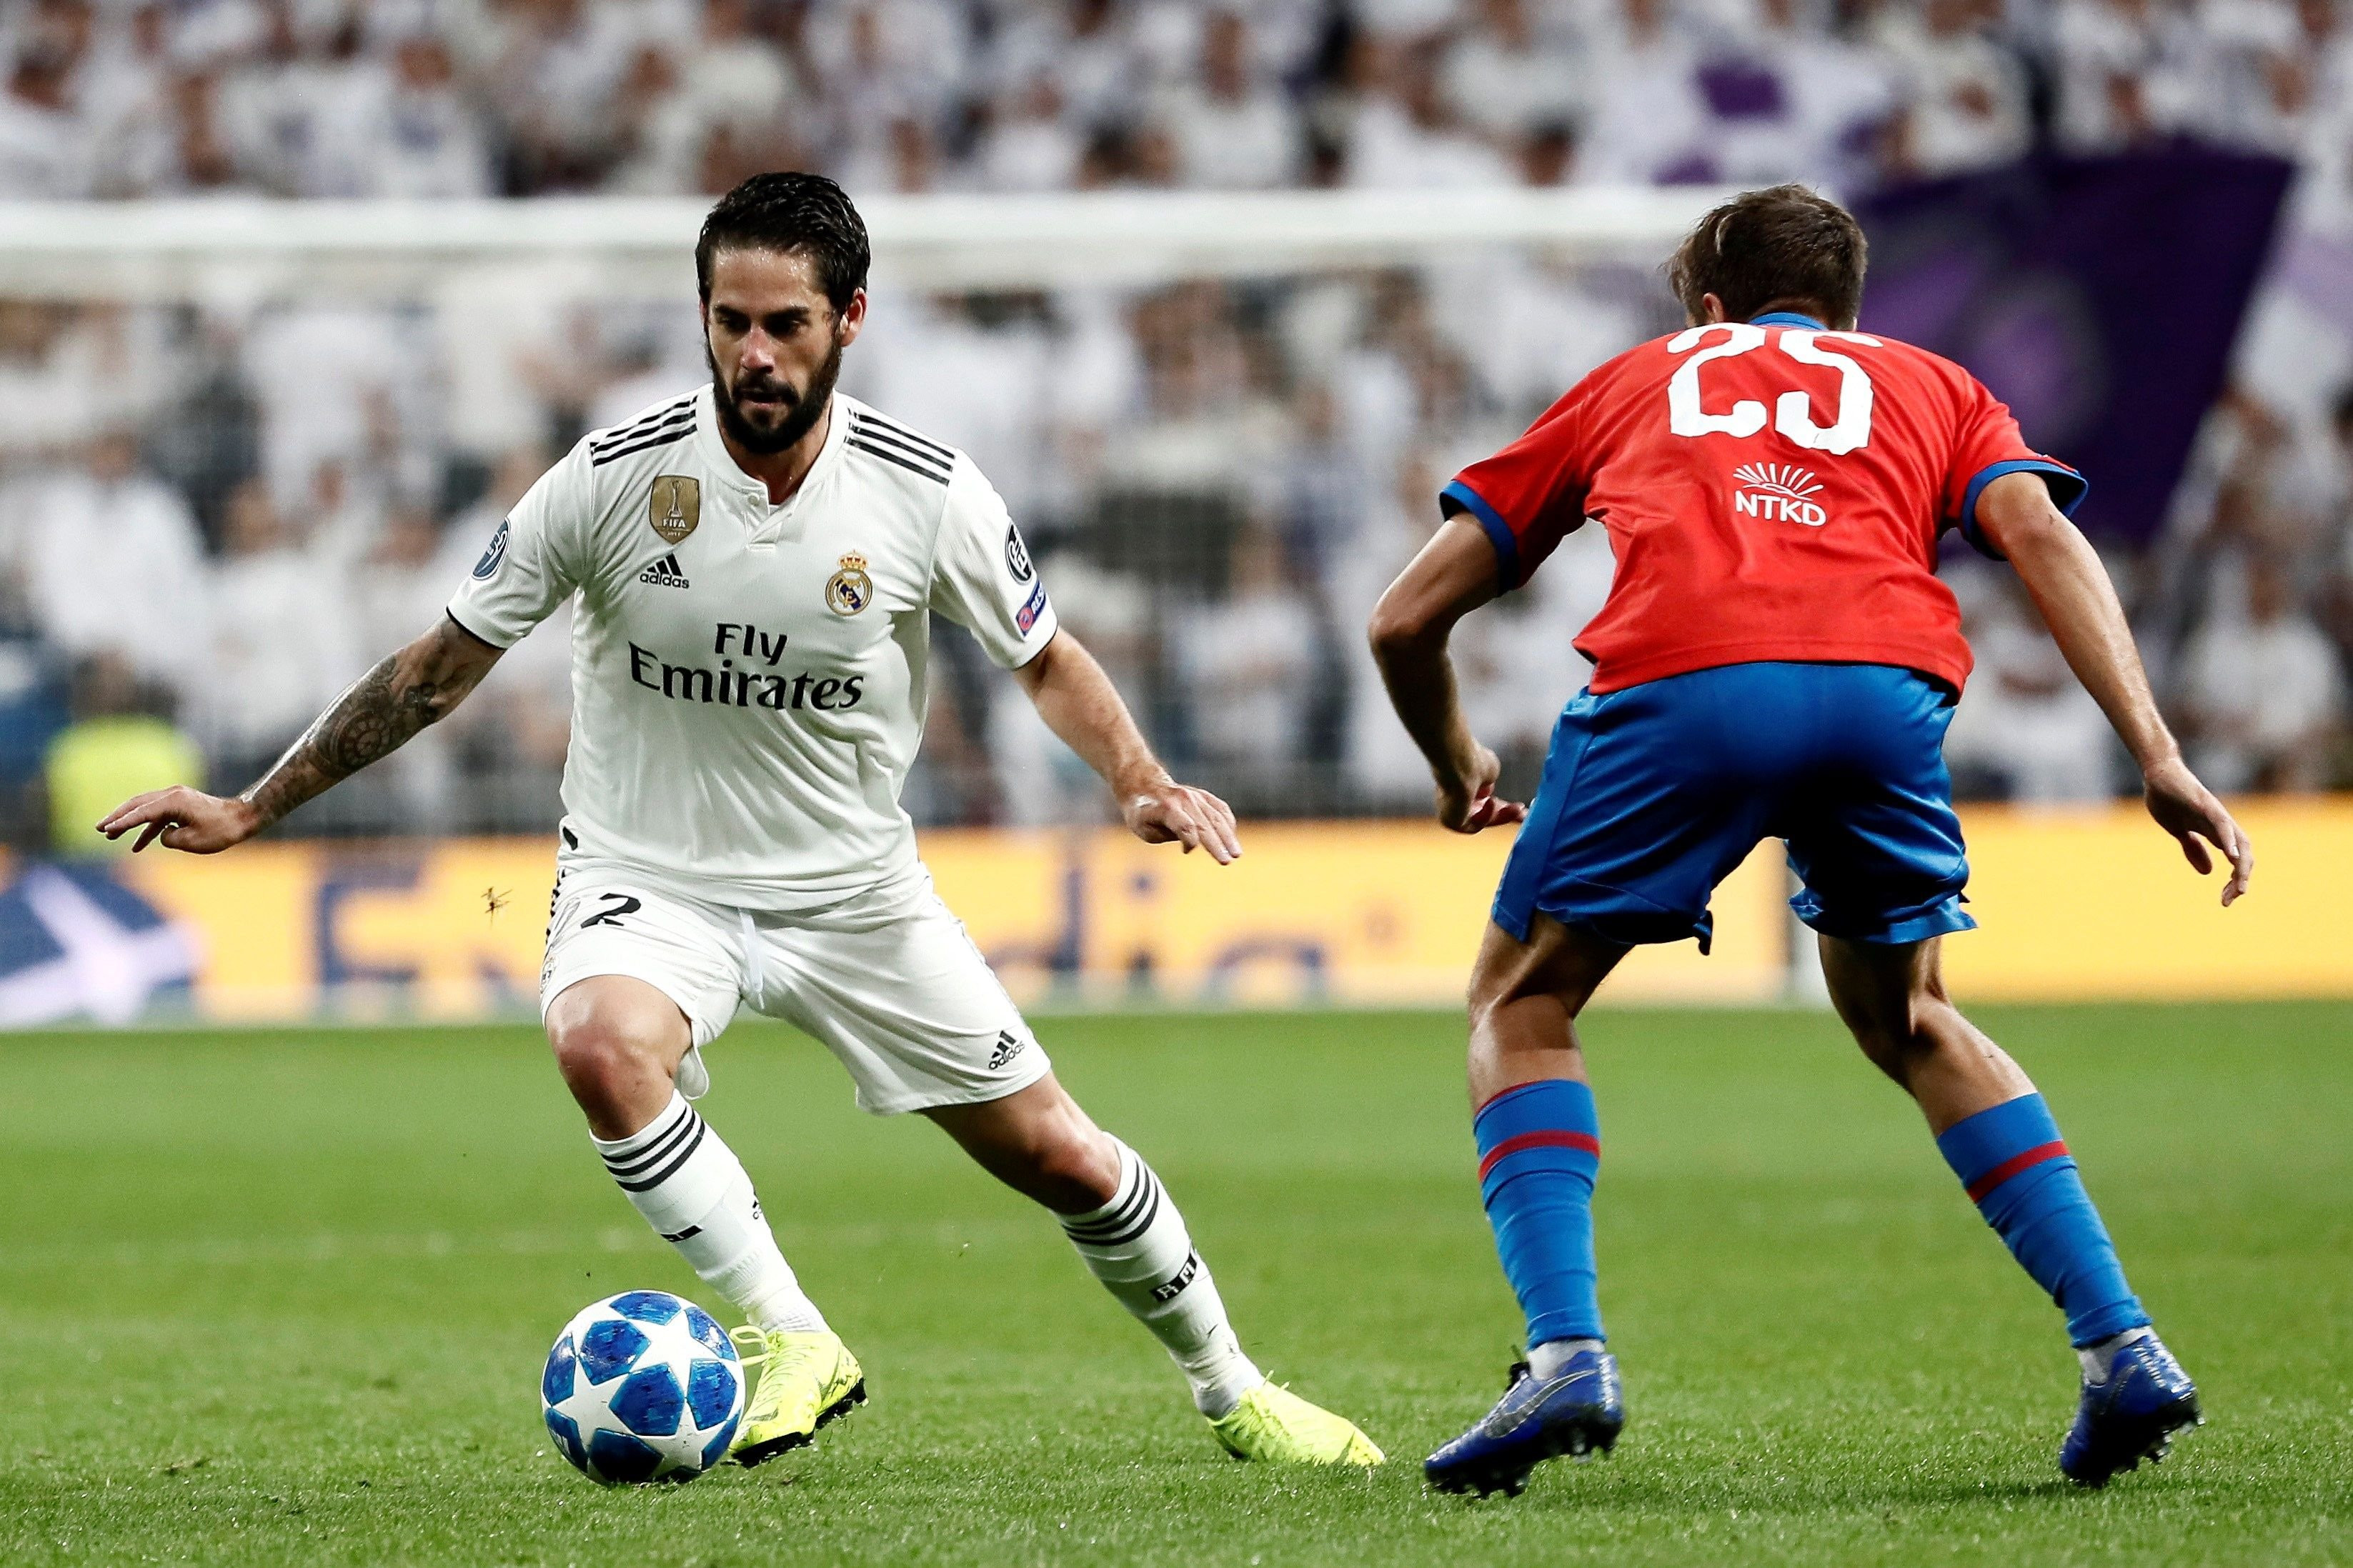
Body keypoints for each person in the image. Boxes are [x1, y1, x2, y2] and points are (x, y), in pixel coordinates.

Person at [99, 172, 1381, 1473]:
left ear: (850, 321)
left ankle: (1236, 1393)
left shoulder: (925, 492)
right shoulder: (608, 480)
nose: (754, 354)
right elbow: (439, 667)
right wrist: (255, 804)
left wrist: (1138, 780)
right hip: (649, 877)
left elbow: (1044, 657)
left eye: (786, 325)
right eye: (729, 323)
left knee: (1064, 1159)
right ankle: (792, 1337)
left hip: (853, 894)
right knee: (600, 1046)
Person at [1368, 184, 2252, 1498]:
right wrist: (2159, 752)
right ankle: (2121, 1343)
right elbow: (2037, 533)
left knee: (1522, 999)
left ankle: (1564, 1352)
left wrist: (1454, 767)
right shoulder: (1935, 384)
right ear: (1843, 307)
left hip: (1683, 687)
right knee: (1914, 1022)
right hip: (1880, 695)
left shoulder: (1636, 377)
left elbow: (1400, 620)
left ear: (1710, 311)